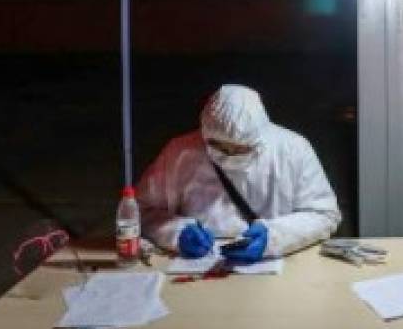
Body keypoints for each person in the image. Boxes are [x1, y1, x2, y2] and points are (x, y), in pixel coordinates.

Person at [136, 85, 341, 264]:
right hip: (198, 265)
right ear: (205, 134)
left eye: (241, 150)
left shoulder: (294, 150)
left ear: (260, 138)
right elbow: (141, 210)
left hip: (280, 264)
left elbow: (325, 215)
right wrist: (175, 232)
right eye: (219, 147)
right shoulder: (180, 152)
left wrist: (274, 237)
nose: (229, 156)